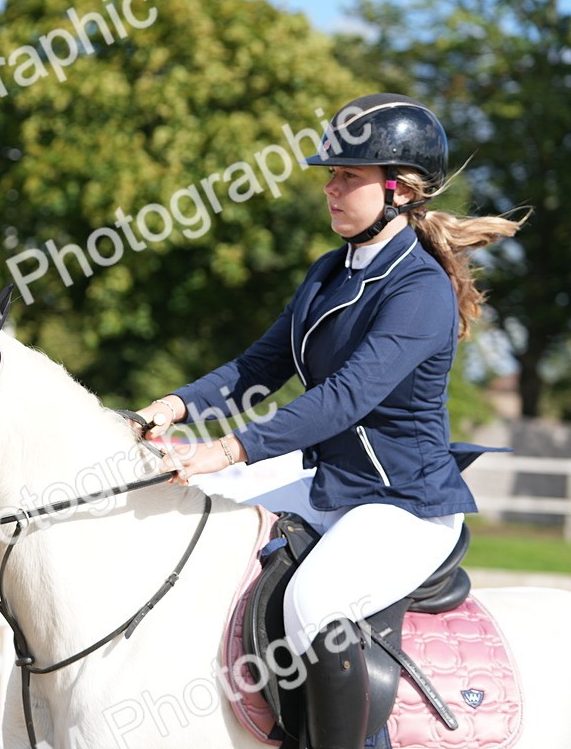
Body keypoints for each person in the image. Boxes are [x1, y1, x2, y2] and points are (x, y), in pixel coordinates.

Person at [134, 93, 525, 749]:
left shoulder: (419, 289)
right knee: (192, 519)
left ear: (398, 189)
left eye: (349, 176)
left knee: (311, 602)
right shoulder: (329, 272)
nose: (331, 189)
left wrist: (227, 449)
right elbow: (259, 366)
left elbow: (344, 398)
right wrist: (169, 408)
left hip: (404, 503)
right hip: (332, 482)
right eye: (331, 175)